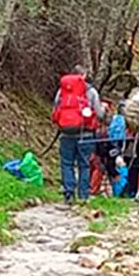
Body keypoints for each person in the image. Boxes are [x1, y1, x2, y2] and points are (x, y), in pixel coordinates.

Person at [51, 66, 100, 203]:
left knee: (67, 163)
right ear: (84, 75)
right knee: (84, 164)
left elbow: (55, 109)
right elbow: (99, 113)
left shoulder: (62, 91)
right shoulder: (90, 91)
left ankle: (69, 193)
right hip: (86, 134)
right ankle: (83, 195)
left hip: (66, 133)